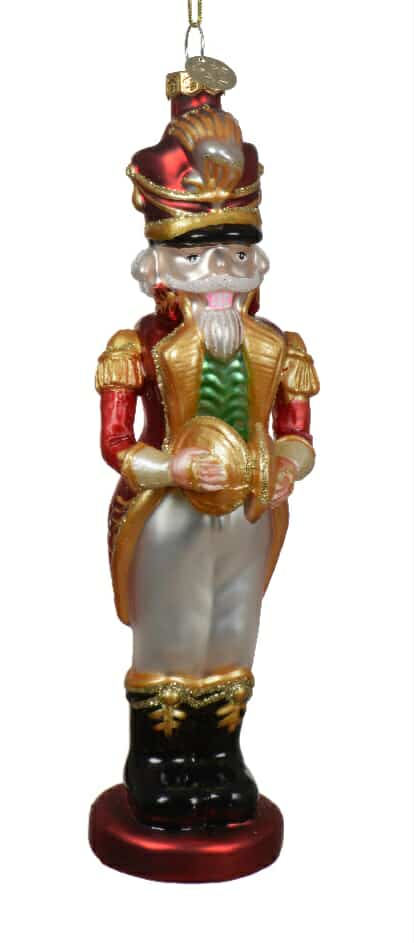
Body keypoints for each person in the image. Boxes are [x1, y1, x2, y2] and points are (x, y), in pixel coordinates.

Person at [96, 72, 319, 828]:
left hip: (248, 513)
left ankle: (220, 756)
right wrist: (174, 466)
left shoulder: (276, 346)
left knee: (231, 626)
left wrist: (286, 464)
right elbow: (116, 442)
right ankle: (158, 761)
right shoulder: (139, 347)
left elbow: (299, 432)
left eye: (235, 252)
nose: (220, 271)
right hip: (170, 513)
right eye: (197, 256)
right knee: (173, 631)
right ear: (159, 267)